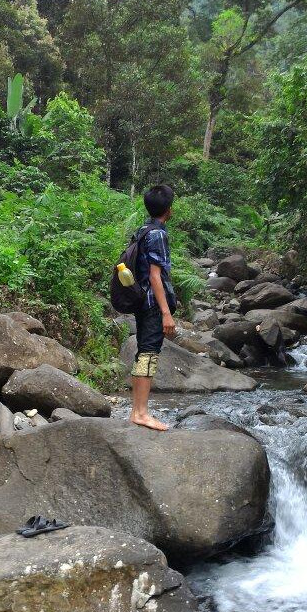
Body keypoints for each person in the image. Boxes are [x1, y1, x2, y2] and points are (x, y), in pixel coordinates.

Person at [129, 184, 177, 431]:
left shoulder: (143, 229)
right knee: (148, 353)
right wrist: (166, 313)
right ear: (168, 209)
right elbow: (155, 276)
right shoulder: (157, 234)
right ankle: (140, 413)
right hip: (152, 305)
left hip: (142, 301)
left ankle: (138, 410)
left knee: (144, 352)